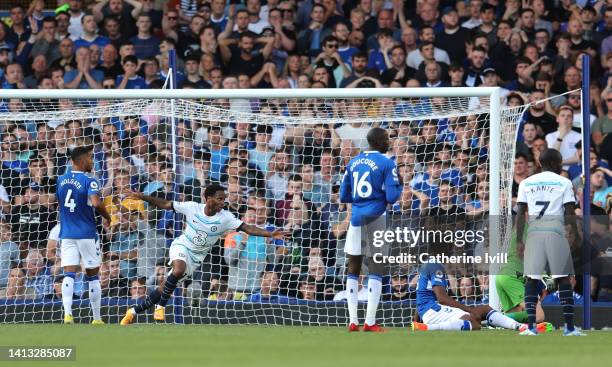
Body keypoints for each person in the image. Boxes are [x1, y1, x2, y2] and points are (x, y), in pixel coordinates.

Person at [120, 184, 285, 325]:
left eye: (224, 199)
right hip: (181, 246)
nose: (223, 202)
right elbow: (165, 204)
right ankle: (161, 307)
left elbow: (248, 228)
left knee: (165, 286)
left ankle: (134, 310)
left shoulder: (226, 218)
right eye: (219, 198)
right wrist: (141, 196)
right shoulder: (192, 207)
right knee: (177, 270)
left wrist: (269, 234)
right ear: (208, 198)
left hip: (196, 259)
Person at [515, 149, 585, 336]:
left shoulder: (526, 183)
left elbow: (521, 213)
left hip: (535, 234)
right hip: (555, 233)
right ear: (557, 163)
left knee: (532, 279)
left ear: (540, 162)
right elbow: (570, 212)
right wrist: (576, 236)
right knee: (563, 279)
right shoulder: (564, 182)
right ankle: (569, 328)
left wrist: (519, 240)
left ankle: (531, 328)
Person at [339, 127, 402, 332]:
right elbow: (392, 198)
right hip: (376, 217)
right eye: (388, 139)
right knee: (376, 267)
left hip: (356, 218)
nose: (390, 142)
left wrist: (360, 201)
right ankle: (370, 321)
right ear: (379, 141)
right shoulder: (386, 163)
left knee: (353, 266)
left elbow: (343, 196)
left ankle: (352, 321)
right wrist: (398, 185)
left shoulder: (353, 162)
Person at [56, 146, 111, 324]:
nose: (92, 161)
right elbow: (96, 203)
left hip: (67, 234)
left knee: (69, 274)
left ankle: (67, 314)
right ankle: (96, 318)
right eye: (89, 157)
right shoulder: (90, 180)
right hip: (87, 233)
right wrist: (108, 216)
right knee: (93, 275)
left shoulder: (60, 180)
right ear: (81, 160)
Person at [411, 261, 531, 332]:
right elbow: (442, 298)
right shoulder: (435, 266)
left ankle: (519, 326)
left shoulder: (427, 266)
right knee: (473, 321)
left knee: (484, 309)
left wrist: (415, 321)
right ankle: (427, 328)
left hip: (430, 311)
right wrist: (469, 310)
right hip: (433, 311)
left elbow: (421, 298)